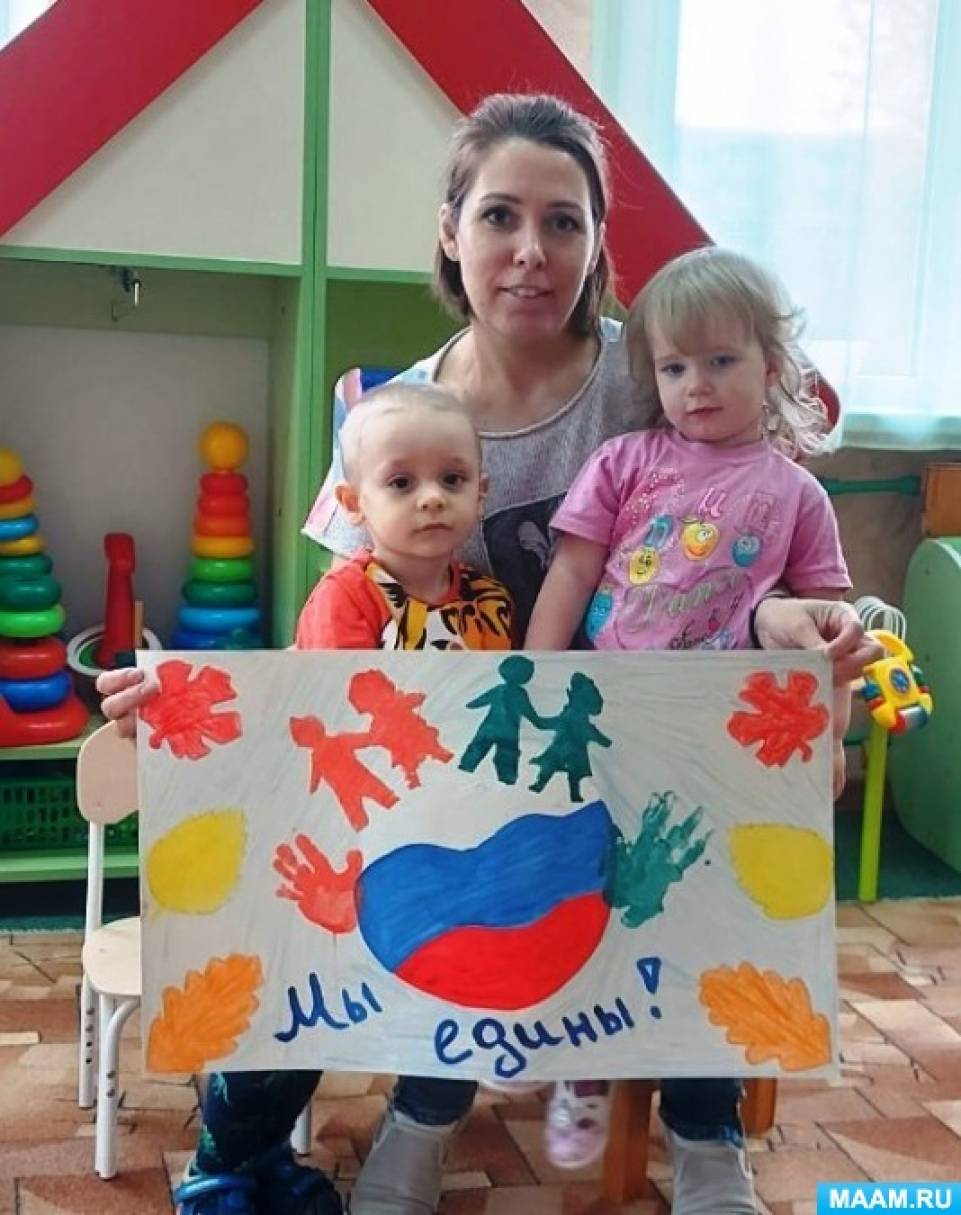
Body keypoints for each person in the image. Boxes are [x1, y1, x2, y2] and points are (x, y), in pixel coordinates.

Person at [98, 94, 879, 1215]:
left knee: (694, 882)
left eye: (564, 222)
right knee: (386, 886)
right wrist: (190, 703)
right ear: (449, 230)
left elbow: (767, 545)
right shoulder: (394, 411)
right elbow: (333, 630)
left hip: (643, 742)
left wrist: (811, 681)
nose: (530, 251)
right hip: (454, 762)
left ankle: (708, 1139)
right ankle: (393, 1120)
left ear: (598, 243)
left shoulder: (658, 369)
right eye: (500, 215)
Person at [526, 245, 853, 1178]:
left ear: (770, 367)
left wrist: (829, 737)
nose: (695, 384)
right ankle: (583, 1065)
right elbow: (571, 572)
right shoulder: (622, 460)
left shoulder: (796, 493)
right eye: (673, 367)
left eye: (720, 360)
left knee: (712, 927)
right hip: (607, 731)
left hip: (721, 750)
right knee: (590, 903)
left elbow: (827, 627)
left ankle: (706, 1130)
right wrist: (534, 679)